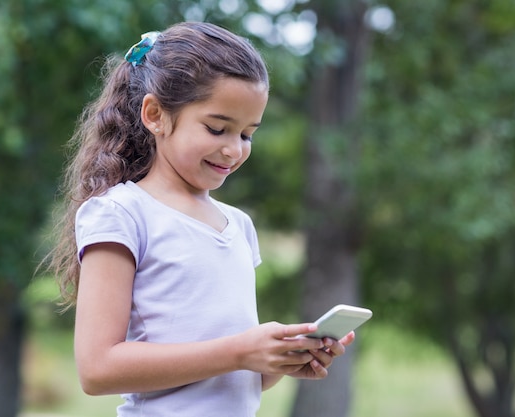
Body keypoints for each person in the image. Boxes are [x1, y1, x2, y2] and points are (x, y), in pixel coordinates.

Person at [47, 21, 354, 416]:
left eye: (247, 135)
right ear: (155, 114)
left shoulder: (238, 225)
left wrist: (280, 359)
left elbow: (227, 375)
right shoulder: (121, 214)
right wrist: (241, 351)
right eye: (217, 128)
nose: (233, 150)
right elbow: (97, 370)